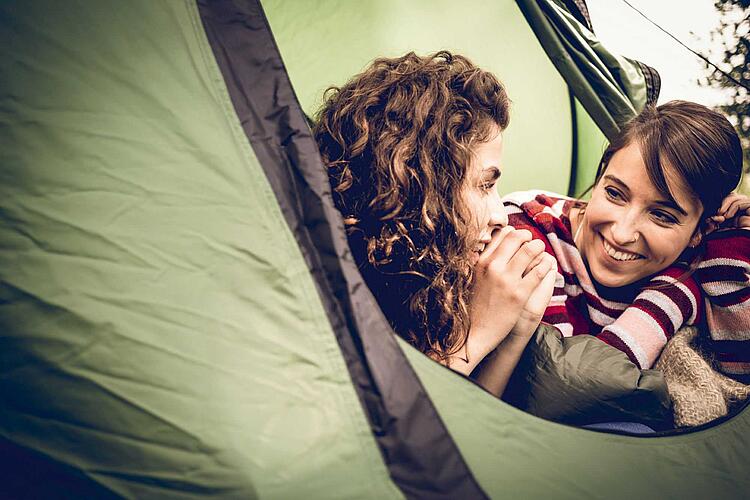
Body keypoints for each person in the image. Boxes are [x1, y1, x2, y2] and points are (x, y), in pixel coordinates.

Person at [313, 51, 557, 395]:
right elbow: (400, 435)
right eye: (485, 184)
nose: (501, 215)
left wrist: (517, 330)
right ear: (420, 186)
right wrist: (474, 338)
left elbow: (469, 432)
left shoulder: (429, 284)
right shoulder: (333, 285)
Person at [503, 100, 750, 379]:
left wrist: (731, 249)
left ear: (698, 232)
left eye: (662, 216)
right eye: (614, 193)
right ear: (599, 178)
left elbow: (740, 373)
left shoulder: (688, 269)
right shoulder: (527, 233)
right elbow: (557, 380)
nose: (621, 233)